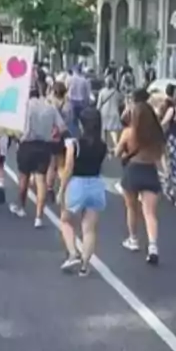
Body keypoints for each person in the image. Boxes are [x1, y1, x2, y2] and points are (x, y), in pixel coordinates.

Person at [58, 107, 108, 276]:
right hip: (95, 184)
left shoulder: (75, 144)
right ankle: (85, 266)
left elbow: (68, 168)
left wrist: (61, 189)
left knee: (65, 220)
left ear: (82, 124)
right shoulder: (102, 146)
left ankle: (72, 253)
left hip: (77, 184)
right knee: (89, 229)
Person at [116, 98, 165, 265]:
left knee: (131, 208)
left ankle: (133, 239)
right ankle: (153, 246)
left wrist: (124, 152)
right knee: (150, 213)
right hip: (150, 171)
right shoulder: (156, 135)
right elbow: (159, 156)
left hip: (132, 170)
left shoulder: (129, 132)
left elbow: (117, 152)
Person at [11, 83, 67, 229]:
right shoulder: (50, 108)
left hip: (27, 144)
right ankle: (39, 217)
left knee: (24, 177)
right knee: (40, 181)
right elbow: (62, 128)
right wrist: (53, 136)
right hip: (44, 146)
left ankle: (21, 207)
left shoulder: (26, 106)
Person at [96, 74, 123, 153]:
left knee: (104, 129)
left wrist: (98, 110)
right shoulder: (116, 92)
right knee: (113, 130)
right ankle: (116, 145)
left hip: (104, 112)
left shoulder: (102, 92)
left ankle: (105, 147)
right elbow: (121, 100)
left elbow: (99, 104)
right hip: (114, 112)